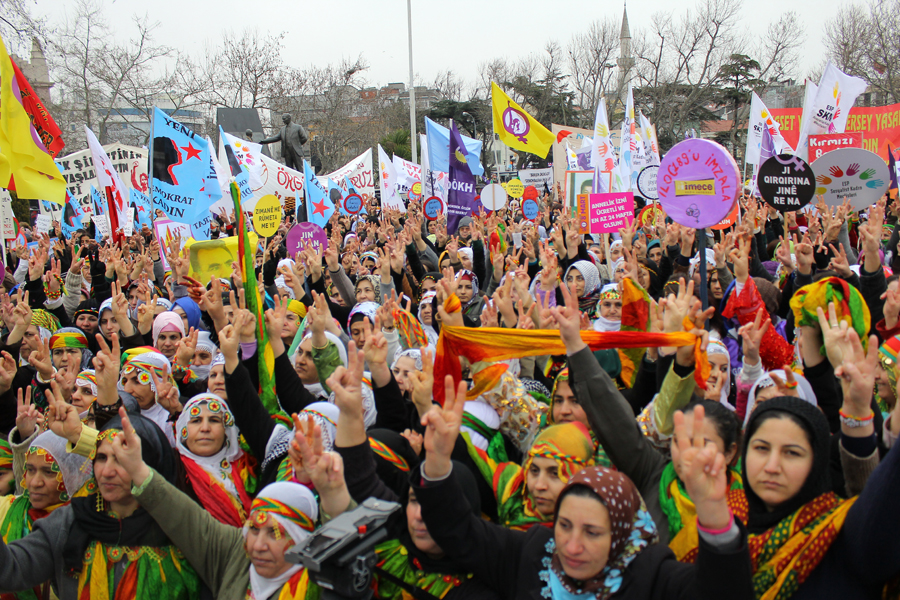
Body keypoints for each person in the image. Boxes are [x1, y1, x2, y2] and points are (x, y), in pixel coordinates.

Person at [408, 375, 754, 600]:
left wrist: (712, 511)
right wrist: (438, 463)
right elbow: (457, 531)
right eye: (565, 526)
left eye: (592, 532)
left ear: (619, 532)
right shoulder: (532, 552)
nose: (572, 546)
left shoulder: (649, 576)